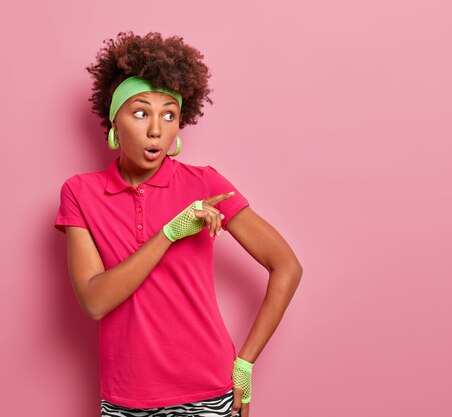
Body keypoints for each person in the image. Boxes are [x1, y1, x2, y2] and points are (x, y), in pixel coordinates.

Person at [54, 31, 303, 417]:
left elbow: (286, 266)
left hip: (207, 392)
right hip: (125, 400)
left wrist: (245, 364)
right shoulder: (80, 193)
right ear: (113, 122)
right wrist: (170, 232)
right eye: (141, 112)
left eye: (169, 114)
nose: (157, 129)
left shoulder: (204, 184)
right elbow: (94, 301)